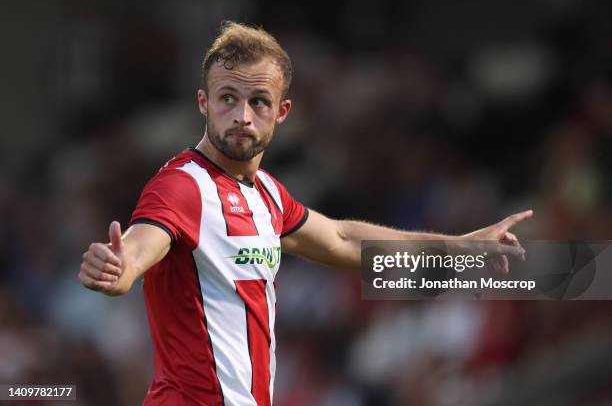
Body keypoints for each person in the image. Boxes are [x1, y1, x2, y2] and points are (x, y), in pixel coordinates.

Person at [78, 21, 532, 406]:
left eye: (258, 101)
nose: (241, 115)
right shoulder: (182, 186)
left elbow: (341, 239)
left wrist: (463, 248)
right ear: (204, 103)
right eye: (227, 98)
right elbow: (141, 246)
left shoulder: (270, 195)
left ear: (282, 111)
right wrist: (119, 269)